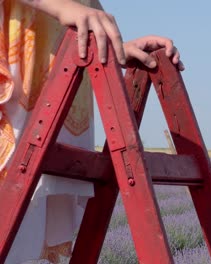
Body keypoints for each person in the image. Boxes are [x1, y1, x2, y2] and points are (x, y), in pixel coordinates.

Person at [0, 0, 184, 263]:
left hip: (51, 86)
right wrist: (59, 6)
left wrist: (116, 46)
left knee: (18, 229)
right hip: (18, 73)